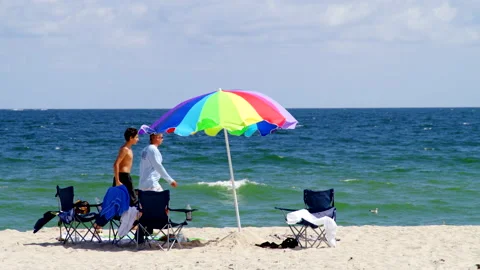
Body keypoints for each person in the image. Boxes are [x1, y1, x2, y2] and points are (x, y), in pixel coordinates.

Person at [112, 127, 139, 206]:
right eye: (136, 137)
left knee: (128, 200)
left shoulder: (129, 149)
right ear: (131, 138)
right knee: (132, 200)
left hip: (126, 176)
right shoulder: (125, 149)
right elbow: (116, 164)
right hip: (123, 177)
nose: (138, 139)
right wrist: (117, 180)